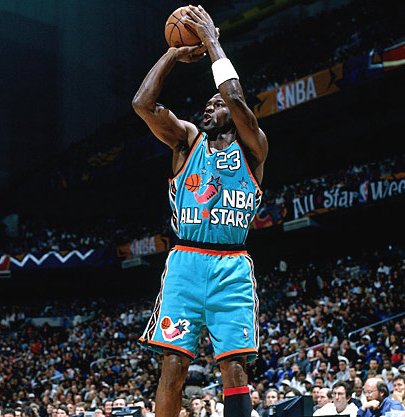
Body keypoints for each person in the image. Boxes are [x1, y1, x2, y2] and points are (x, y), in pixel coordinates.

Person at [133, 6, 267, 417]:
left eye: (215, 105)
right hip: (186, 264)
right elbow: (142, 103)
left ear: (234, 116)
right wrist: (173, 54)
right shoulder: (187, 142)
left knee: (234, 368)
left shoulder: (253, 148)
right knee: (173, 367)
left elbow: (235, 97)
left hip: (231, 266)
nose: (209, 109)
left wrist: (211, 42)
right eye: (206, 105)